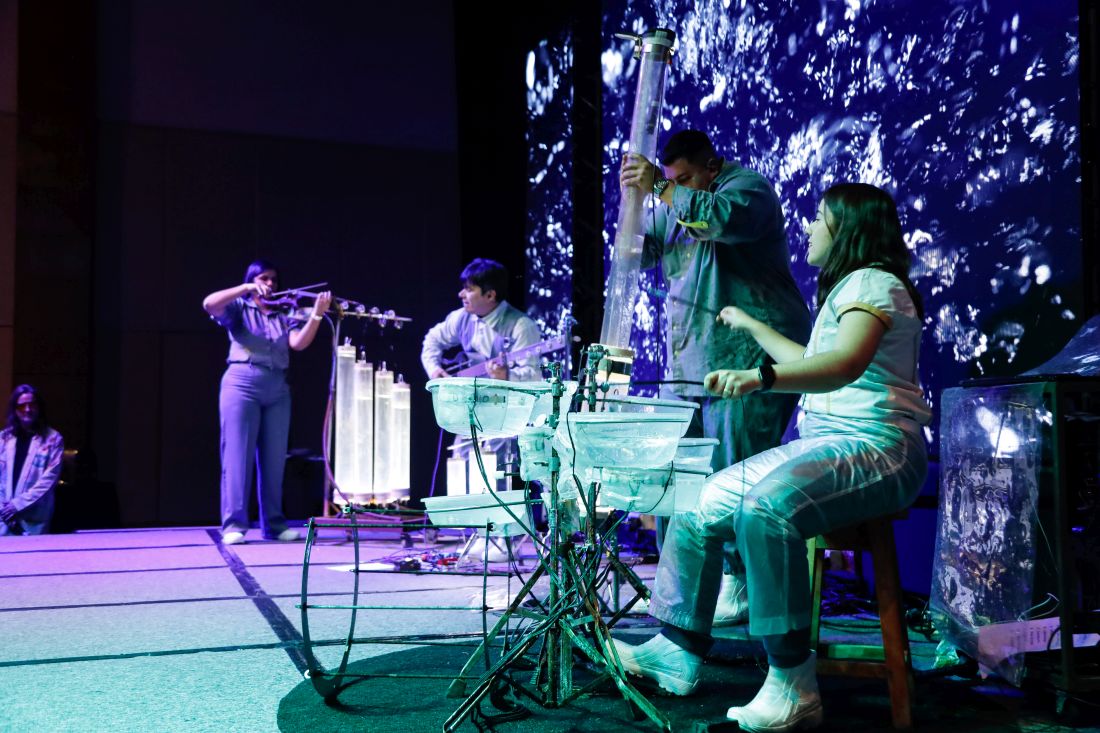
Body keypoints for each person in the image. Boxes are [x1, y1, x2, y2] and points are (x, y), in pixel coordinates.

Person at [612, 183, 930, 733]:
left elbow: (843, 366)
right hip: (829, 444)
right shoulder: (852, 287)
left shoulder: (874, 282)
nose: (809, 227)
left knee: (766, 508)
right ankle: (677, 645)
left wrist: (760, 376)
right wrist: (753, 326)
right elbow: (814, 359)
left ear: (848, 229)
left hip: (879, 448)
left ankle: (792, 682)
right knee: (697, 501)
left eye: (820, 218)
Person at [620, 129, 812, 621]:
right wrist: (633, 213)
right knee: (676, 475)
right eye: (671, 179)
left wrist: (659, 188)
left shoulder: (747, 190)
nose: (675, 187)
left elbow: (720, 218)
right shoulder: (674, 201)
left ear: (712, 166)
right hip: (691, 362)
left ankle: (740, 584)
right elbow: (641, 253)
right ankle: (682, 586)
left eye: (684, 179)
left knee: (733, 469)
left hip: (745, 357)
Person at [203, 260, 332, 545]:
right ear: (253, 280)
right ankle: (235, 524)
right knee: (237, 457)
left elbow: (298, 344)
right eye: (264, 278)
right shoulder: (240, 307)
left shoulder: (283, 312)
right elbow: (209, 304)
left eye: (274, 279)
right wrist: (246, 288)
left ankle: (274, 524)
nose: (270, 283)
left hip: (277, 387)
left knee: (274, 460)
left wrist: (316, 315)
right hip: (242, 384)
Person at [421, 258, 542, 383]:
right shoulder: (462, 317)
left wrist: (507, 376)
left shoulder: (522, 326)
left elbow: (533, 377)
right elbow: (432, 339)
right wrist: (434, 369)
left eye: (469, 289)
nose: (461, 294)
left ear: (490, 296)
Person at [0, 385, 64, 536]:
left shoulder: (53, 439)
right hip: (4, 516)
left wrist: (18, 505)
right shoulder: (3, 438)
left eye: (32, 404)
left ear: (39, 407)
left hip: (33, 517)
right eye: (22, 405)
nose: (27, 409)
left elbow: (49, 480)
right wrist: (4, 507)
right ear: (15, 410)